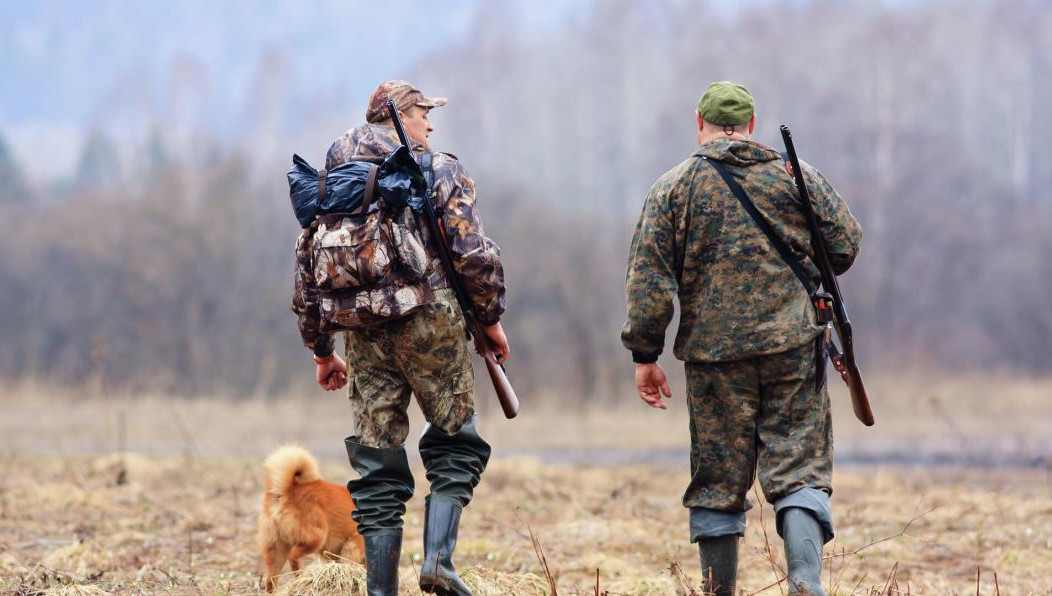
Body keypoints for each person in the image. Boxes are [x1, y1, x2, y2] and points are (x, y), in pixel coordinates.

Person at [621, 81, 862, 595]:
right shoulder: (798, 178)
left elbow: (648, 281)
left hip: (714, 361)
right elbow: (844, 248)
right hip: (794, 351)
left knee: (717, 481)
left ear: (699, 121)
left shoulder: (674, 188)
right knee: (798, 470)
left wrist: (646, 354)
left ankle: (718, 592)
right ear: (752, 124)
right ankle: (803, 581)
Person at [292, 80, 510, 596]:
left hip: (362, 332)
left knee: (377, 462)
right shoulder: (439, 169)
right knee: (457, 443)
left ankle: (380, 590)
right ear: (399, 119)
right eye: (422, 113)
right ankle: (437, 563)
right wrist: (491, 319)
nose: (430, 124)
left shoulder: (334, 181)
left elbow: (306, 269)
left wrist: (322, 349)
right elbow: (473, 254)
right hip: (431, 321)